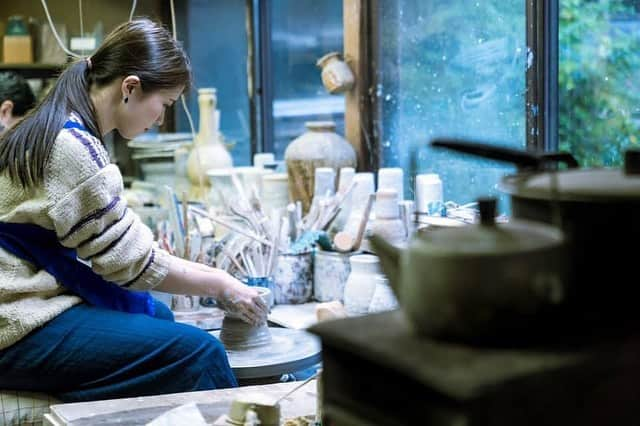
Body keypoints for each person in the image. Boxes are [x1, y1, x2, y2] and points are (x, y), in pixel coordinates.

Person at [0, 19, 268, 402]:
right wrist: (223, 285)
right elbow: (135, 266)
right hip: (15, 321)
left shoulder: (55, 125)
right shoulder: (72, 148)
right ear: (130, 88)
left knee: (158, 318)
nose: (159, 120)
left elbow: (121, 247)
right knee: (199, 353)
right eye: (164, 105)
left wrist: (214, 278)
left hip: (21, 298)